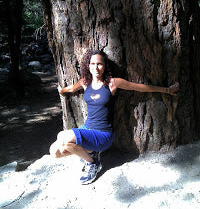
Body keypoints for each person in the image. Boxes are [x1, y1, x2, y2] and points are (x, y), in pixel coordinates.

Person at [49, 50, 179, 185]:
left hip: (103, 134)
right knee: (55, 152)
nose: (96, 67)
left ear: (105, 66)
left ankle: (92, 163)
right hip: (87, 128)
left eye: (99, 64)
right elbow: (70, 89)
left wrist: (166, 90)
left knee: (63, 138)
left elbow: (140, 87)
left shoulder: (112, 83)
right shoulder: (85, 82)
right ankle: (90, 152)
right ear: (88, 66)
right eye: (92, 63)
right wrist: (61, 90)